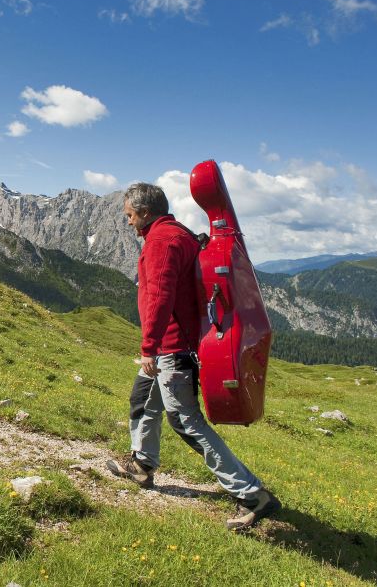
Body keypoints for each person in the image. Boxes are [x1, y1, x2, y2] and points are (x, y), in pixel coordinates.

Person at [105, 182, 281, 531]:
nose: (128, 222)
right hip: (172, 346)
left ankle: (253, 495)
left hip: (172, 349)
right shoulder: (179, 233)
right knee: (142, 400)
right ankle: (141, 464)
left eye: (129, 215)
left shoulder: (162, 241)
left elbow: (159, 296)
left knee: (185, 421)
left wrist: (149, 347)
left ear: (144, 213)